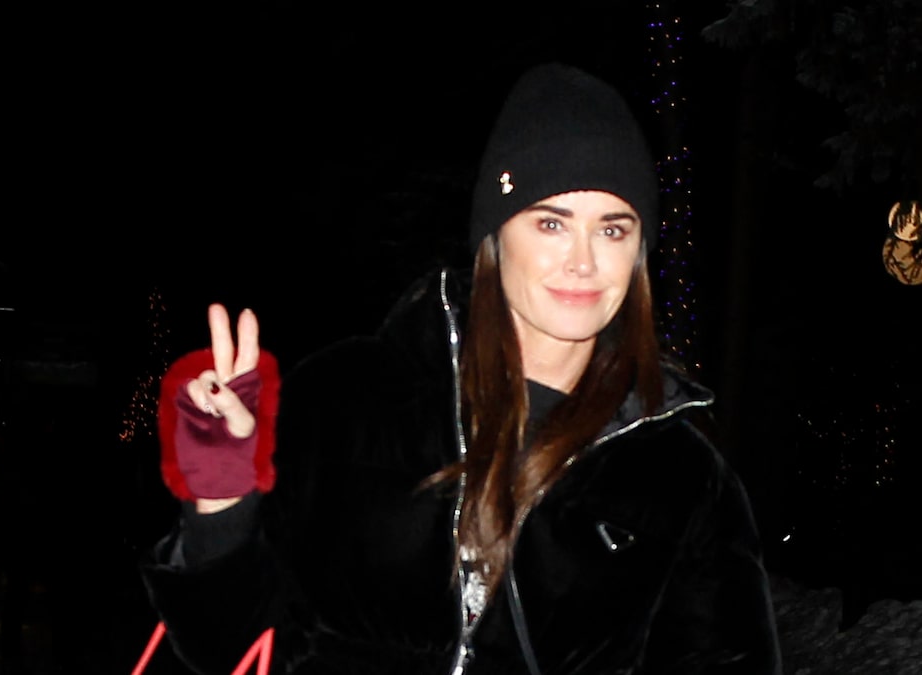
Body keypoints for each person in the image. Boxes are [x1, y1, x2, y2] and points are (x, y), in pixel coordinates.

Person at [141, 62, 783, 675]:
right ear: (495, 237)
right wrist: (220, 501)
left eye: (613, 230)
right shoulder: (349, 400)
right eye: (551, 223)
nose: (584, 262)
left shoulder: (682, 478)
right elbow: (228, 647)